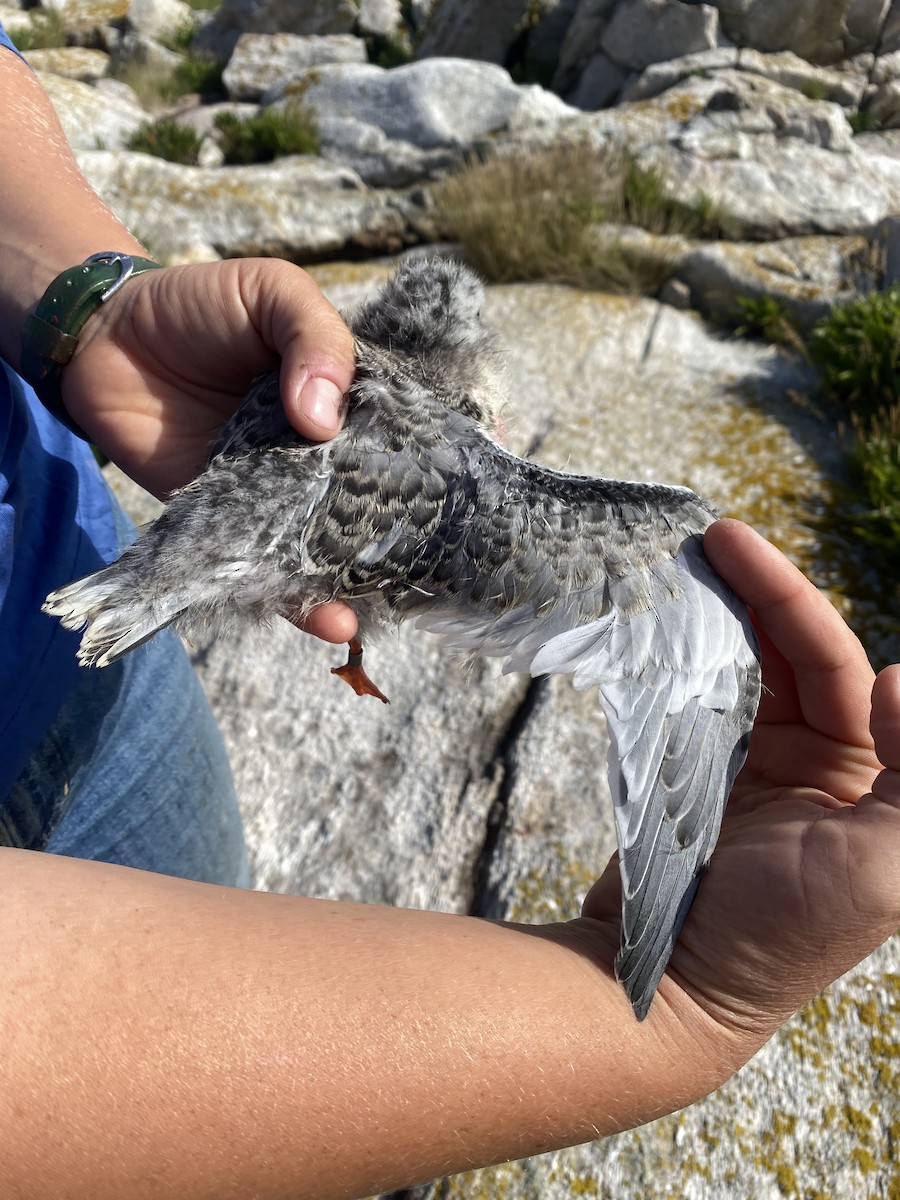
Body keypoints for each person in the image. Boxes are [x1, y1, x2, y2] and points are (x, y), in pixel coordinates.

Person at [1, 25, 899, 1200]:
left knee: (202, 864)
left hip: (59, 574)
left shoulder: (344, 395)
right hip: (108, 595)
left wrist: (89, 309)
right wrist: (687, 1009)